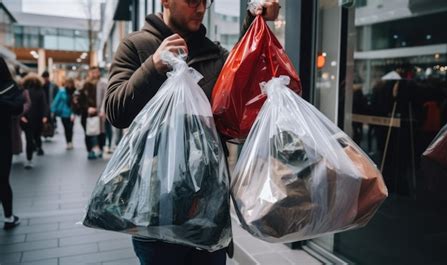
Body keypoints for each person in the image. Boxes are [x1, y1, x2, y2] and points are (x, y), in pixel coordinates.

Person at [105, 0, 280, 264]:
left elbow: (240, 70)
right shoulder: (136, 45)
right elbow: (116, 111)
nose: (200, 9)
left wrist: (254, 17)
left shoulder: (215, 55)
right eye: (192, 1)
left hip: (208, 209)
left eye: (206, 1)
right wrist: (153, 66)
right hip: (156, 211)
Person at [0, 56, 23, 229]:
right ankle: (8, 216)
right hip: (3, 140)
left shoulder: (9, 86)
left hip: (3, 139)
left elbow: (18, 107)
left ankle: (8, 216)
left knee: (2, 180)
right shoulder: (10, 86)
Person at [21, 74, 48, 169]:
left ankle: (29, 159)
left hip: (27, 118)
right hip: (37, 118)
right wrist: (44, 116)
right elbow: (44, 104)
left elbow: (20, 104)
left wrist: (21, 116)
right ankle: (37, 149)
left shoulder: (24, 90)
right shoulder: (40, 91)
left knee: (29, 138)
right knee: (36, 136)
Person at [51, 78, 76, 150]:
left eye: (71, 83)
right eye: (68, 83)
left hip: (72, 113)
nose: (69, 85)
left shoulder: (75, 92)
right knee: (66, 128)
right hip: (63, 113)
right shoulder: (62, 91)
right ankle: (68, 142)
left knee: (70, 128)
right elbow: (56, 101)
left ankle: (70, 141)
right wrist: (53, 110)